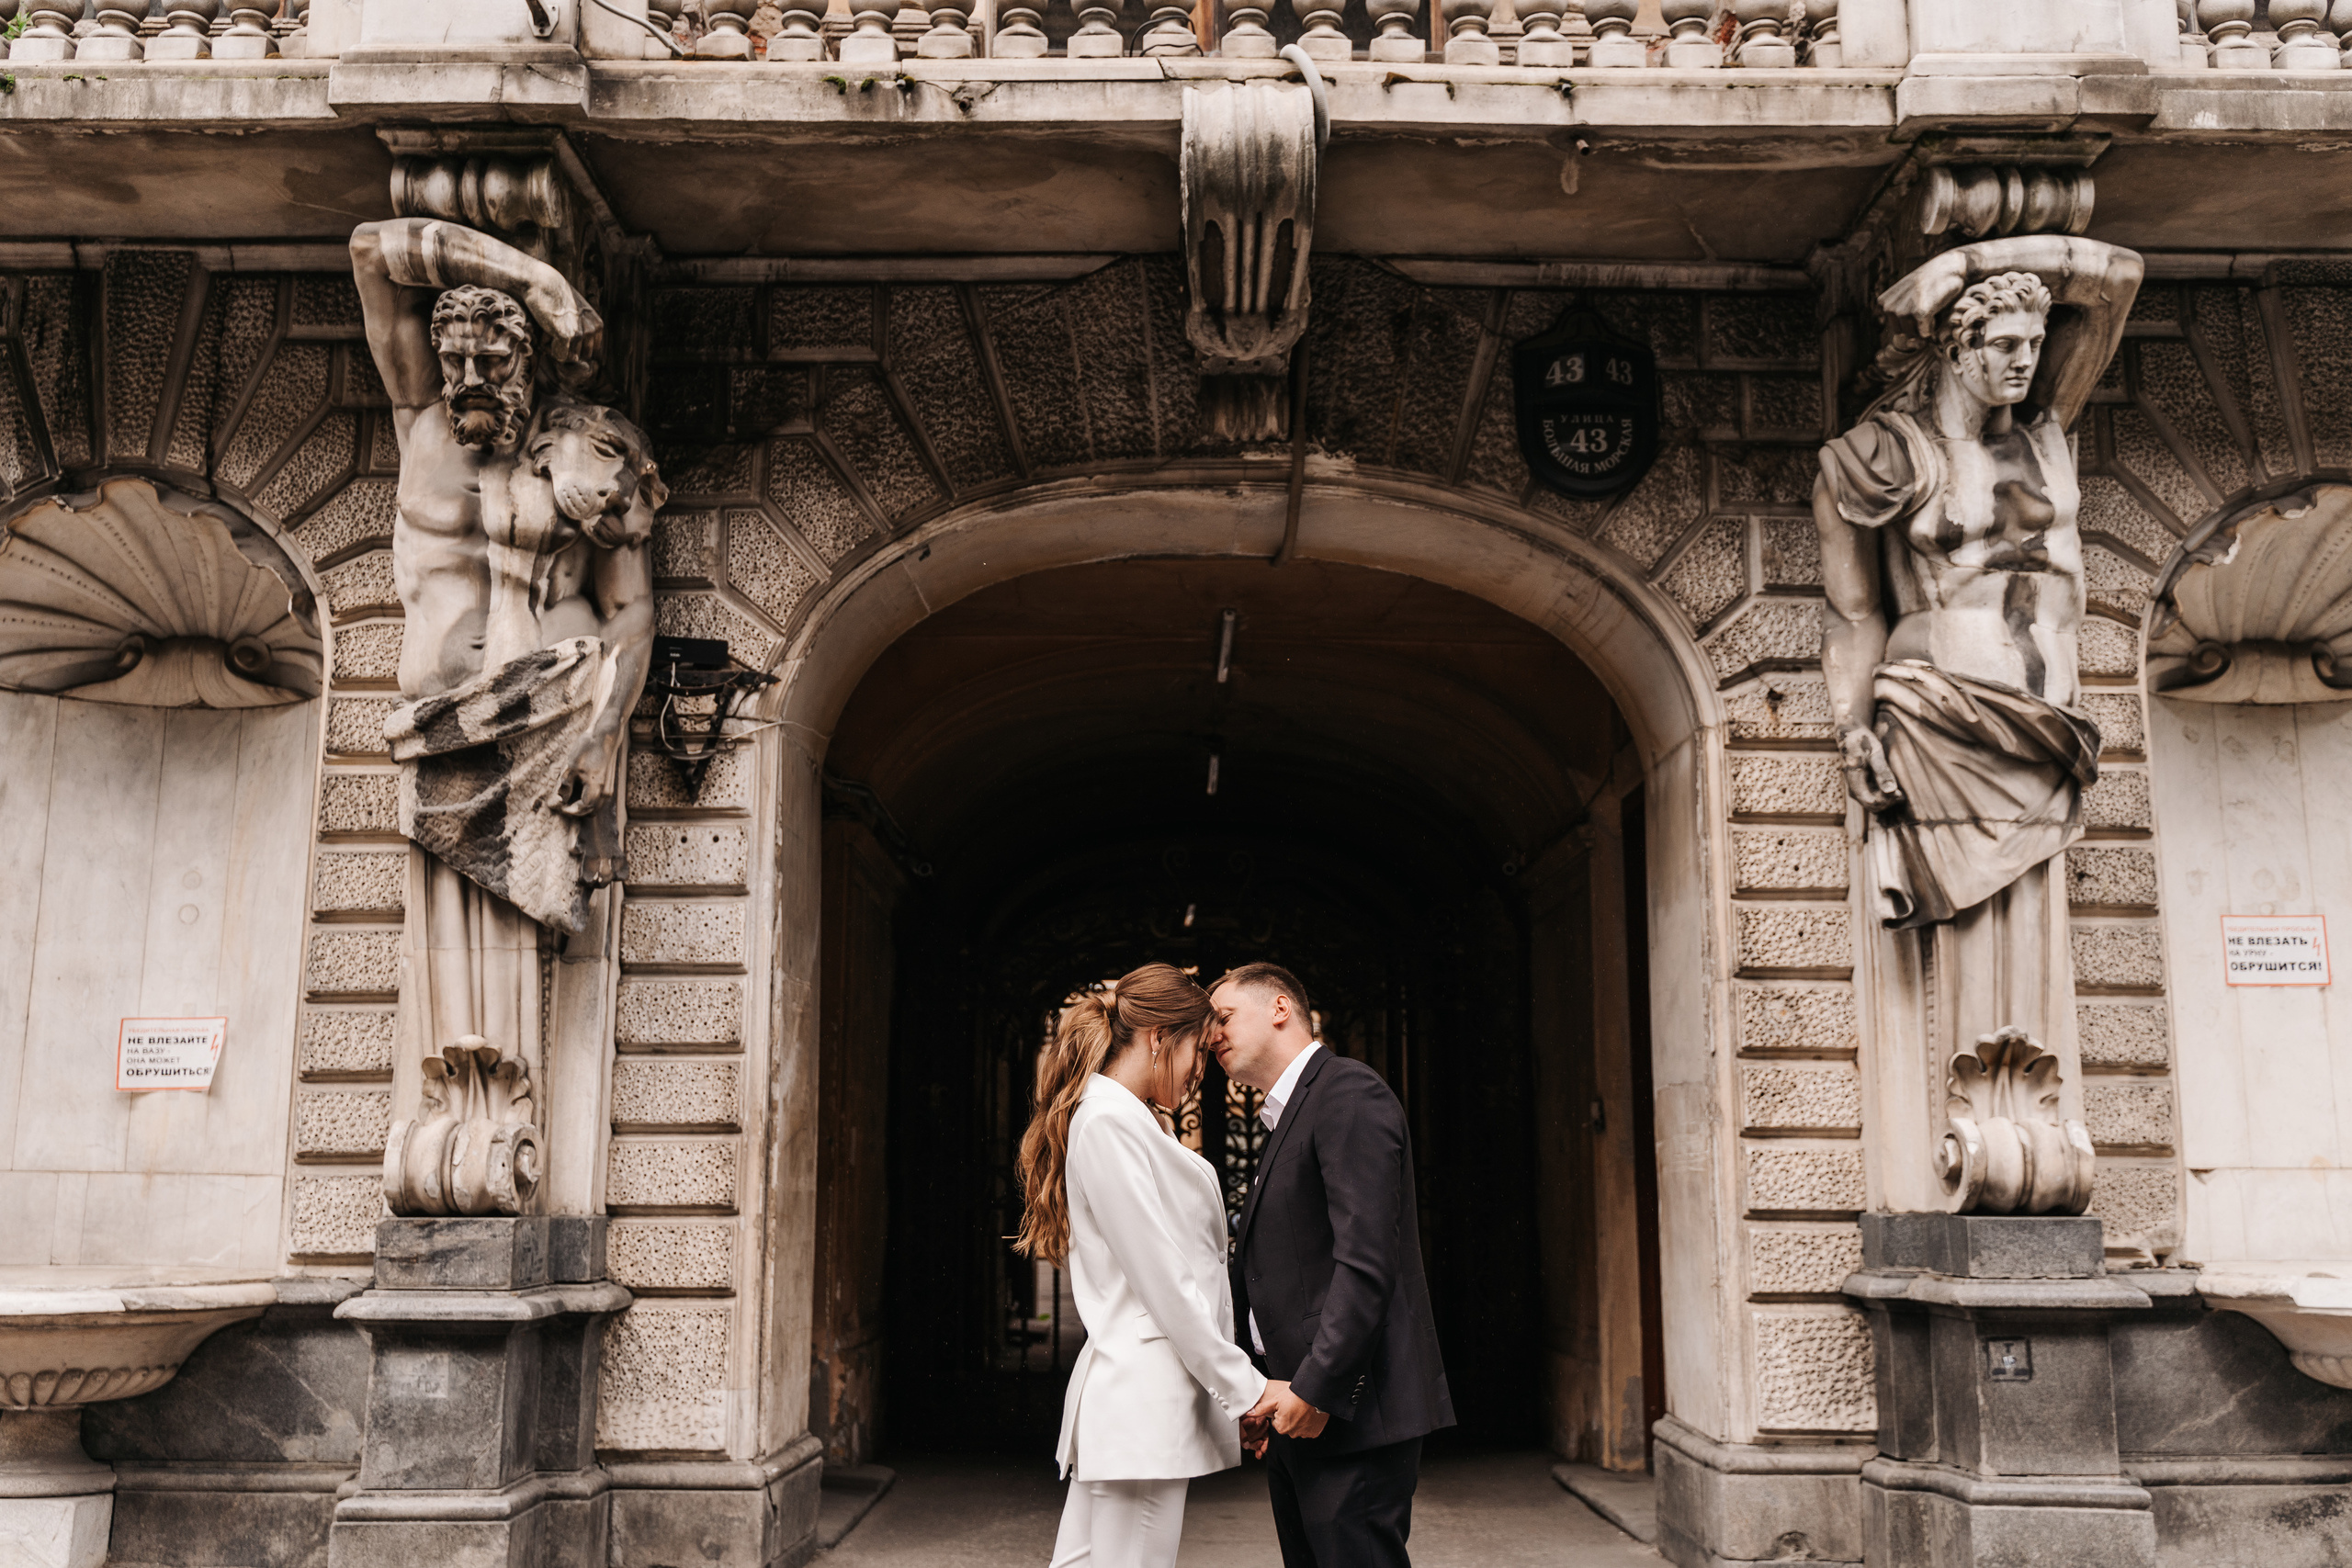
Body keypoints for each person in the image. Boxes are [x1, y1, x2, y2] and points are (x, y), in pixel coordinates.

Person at [1015, 963, 1270, 1568]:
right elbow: (1166, 1281)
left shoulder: (1120, 1117)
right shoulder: (1109, 1121)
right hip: (1142, 1406)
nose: (1198, 1072)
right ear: (1160, 1037)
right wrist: (1246, 1389)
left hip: (1137, 1404)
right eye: (1195, 1053)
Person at [1209, 963, 1453, 1568]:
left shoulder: (1348, 1093)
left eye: (1224, 1015)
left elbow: (1367, 1263)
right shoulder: (1291, 1113)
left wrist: (1318, 1385)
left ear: (1281, 1007)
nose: (1211, 1033)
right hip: (1300, 1411)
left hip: (1349, 1412)